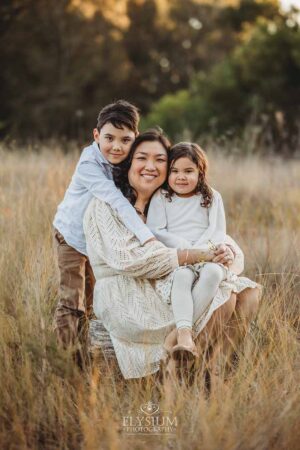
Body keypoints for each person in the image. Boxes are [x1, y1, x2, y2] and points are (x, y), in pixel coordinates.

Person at [83, 129, 257, 379]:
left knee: (249, 293)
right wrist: (199, 254)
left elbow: (221, 237)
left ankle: (205, 368)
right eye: (142, 158)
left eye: (160, 160)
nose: (150, 166)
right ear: (129, 161)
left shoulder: (164, 197)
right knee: (225, 297)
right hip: (127, 294)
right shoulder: (108, 204)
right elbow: (134, 262)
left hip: (162, 283)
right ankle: (178, 369)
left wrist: (227, 255)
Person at [52, 100, 156, 348]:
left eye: (125, 140)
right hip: (71, 237)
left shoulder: (130, 160)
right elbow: (116, 201)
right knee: (71, 300)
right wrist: (147, 237)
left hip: (97, 242)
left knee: (90, 302)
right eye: (109, 138)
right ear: (96, 135)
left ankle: (83, 353)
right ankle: (64, 361)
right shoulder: (89, 164)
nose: (117, 147)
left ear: (135, 138)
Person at [146, 142, 257, 362]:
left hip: (208, 255)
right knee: (182, 277)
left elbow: (217, 230)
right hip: (179, 258)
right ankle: (185, 333)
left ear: (201, 172)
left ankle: (178, 336)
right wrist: (188, 248)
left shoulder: (212, 197)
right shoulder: (162, 197)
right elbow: (157, 231)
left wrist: (204, 250)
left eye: (188, 171)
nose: (181, 177)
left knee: (214, 274)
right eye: (175, 171)